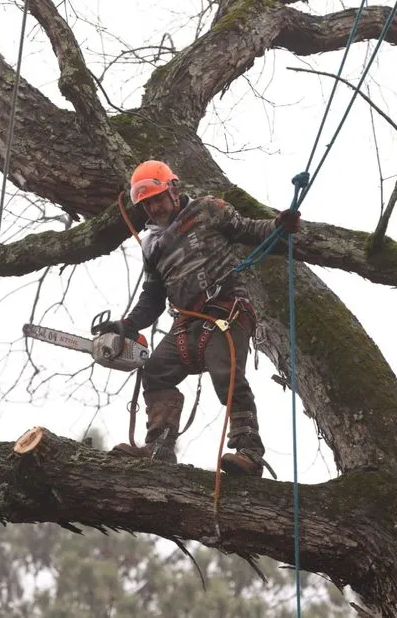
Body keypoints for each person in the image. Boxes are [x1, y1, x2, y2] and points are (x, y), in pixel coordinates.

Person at [95, 160, 301, 478]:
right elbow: (152, 299)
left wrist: (277, 227)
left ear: (174, 191)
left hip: (226, 311)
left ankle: (249, 451)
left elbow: (247, 229)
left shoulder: (208, 210)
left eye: (158, 199)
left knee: (226, 371)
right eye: (147, 204)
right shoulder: (152, 245)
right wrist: (127, 326)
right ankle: (159, 447)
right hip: (187, 325)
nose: (154, 207)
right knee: (155, 371)